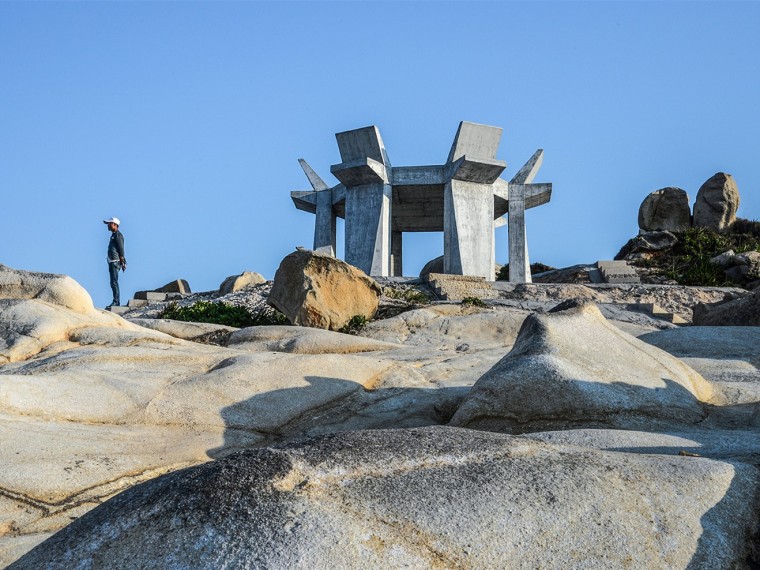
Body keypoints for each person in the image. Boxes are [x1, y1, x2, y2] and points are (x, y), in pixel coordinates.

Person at [103, 217, 127, 308]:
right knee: (113, 282)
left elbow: (121, 248)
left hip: (115, 261)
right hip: (112, 261)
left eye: (109, 223)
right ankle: (116, 301)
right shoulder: (114, 235)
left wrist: (123, 261)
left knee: (114, 282)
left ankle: (116, 301)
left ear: (115, 225)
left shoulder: (118, 235)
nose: (108, 225)